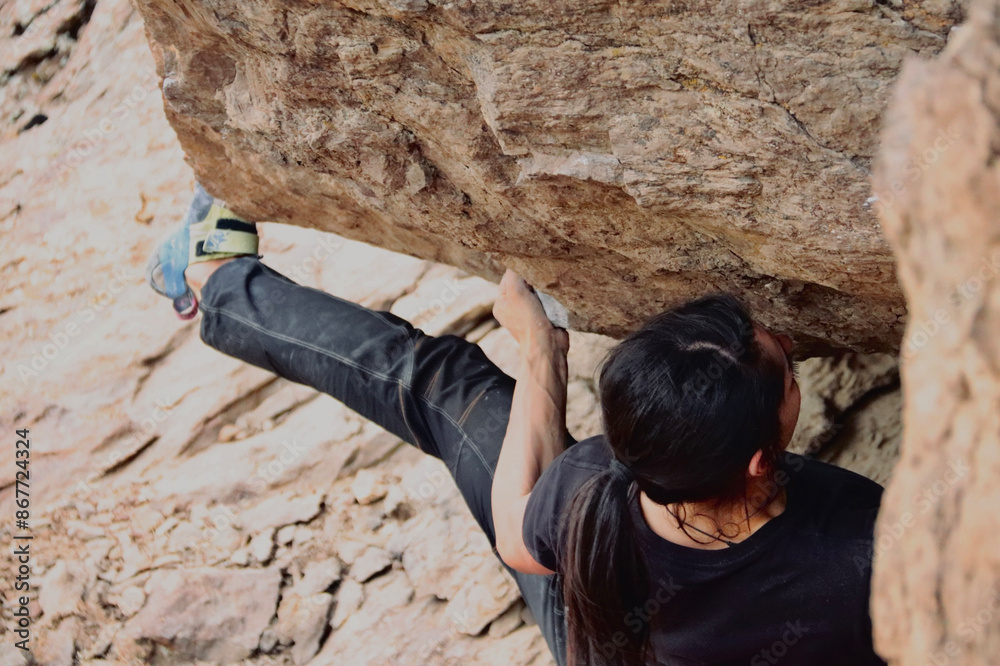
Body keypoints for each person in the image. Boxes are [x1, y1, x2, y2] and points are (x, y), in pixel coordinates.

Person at [147, 185, 887, 666]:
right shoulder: (862, 549)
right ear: (760, 460)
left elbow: (516, 538)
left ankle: (218, 281)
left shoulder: (595, 490)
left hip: (592, 642)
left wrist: (540, 355)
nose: (790, 345)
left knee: (443, 381)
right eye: (787, 372)